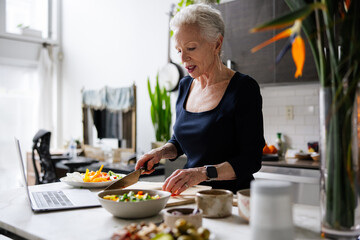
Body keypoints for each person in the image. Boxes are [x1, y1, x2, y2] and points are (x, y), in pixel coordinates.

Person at [135, 3, 265, 194]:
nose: (183, 59)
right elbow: (180, 141)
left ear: (217, 44)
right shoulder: (185, 86)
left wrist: (203, 173)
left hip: (232, 200)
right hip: (193, 196)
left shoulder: (243, 88)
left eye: (191, 48)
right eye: (179, 50)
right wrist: (160, 153)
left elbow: (251, 160)